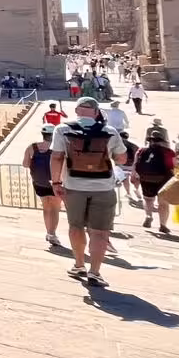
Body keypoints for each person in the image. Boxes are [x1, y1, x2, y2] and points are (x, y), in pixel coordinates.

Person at [50, 96, 128, 288]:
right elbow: (122, 159)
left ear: (77, 111)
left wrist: (57, 182)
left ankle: (79, 265)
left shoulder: (63, 129)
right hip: (104, 187)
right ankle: (95, 272)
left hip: (74, 186)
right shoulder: (109, 131)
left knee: (76, 227)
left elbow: (57, 157)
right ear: (96, 112)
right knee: (100, 232)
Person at [132, 126, 176, 232]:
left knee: (148, 199)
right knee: (163, 203)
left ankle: (148, 216)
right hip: (163, 179)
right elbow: (173, 166)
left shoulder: (141, 150)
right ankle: (163, 225)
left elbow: (135, 164)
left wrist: (134, 175)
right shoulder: (168, 151)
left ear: (150, 140)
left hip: (146, 178)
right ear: (162, 141)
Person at [24, 125, 62, 247]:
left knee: (46, 208)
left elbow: (25, 164)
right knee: (55, 209)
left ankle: (48, 232)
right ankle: (52, 233)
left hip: (39, 182)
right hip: (56, 182)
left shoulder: (32, 147)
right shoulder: (59, 148)